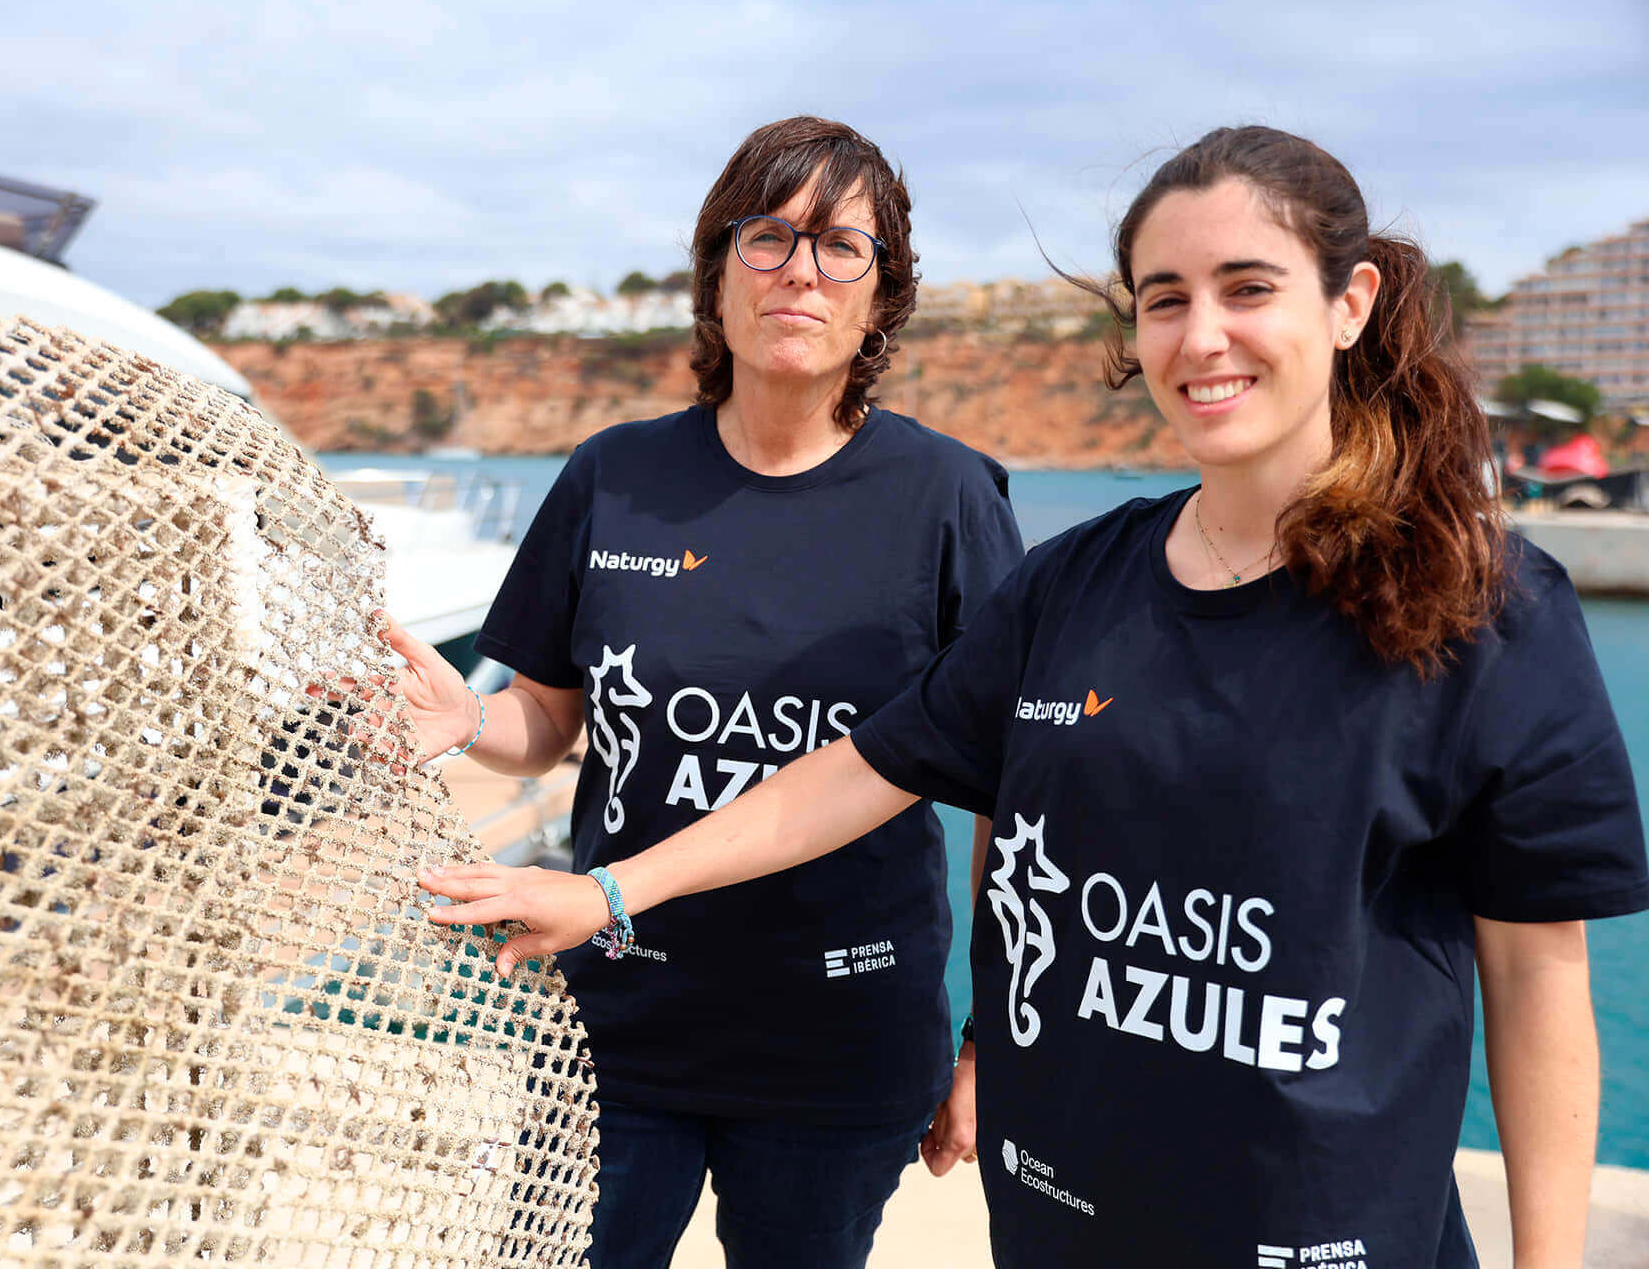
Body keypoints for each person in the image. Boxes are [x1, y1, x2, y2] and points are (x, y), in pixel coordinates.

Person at [420, 126, 1649, 1266]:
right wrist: (603, 884)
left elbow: (1538, 979)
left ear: (1350, 302)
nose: (1202, 336)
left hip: (1307, 1221)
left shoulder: (1488, 607)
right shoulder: (1076, 585)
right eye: (1164, 298)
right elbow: (870, 770)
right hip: (1058, 1213)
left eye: (1248, 287)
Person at [381, 115, 1024, 1268]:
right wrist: (470, 717)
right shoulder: (614, 476)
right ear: (717, 278)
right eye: (767, 237)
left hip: (840, 1041)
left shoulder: (948, 497)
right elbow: (551, 718)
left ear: (882, 300)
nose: (800, 272)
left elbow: (1007, 793)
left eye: (843, 247)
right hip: (614, 1022)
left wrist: (990, 1039)